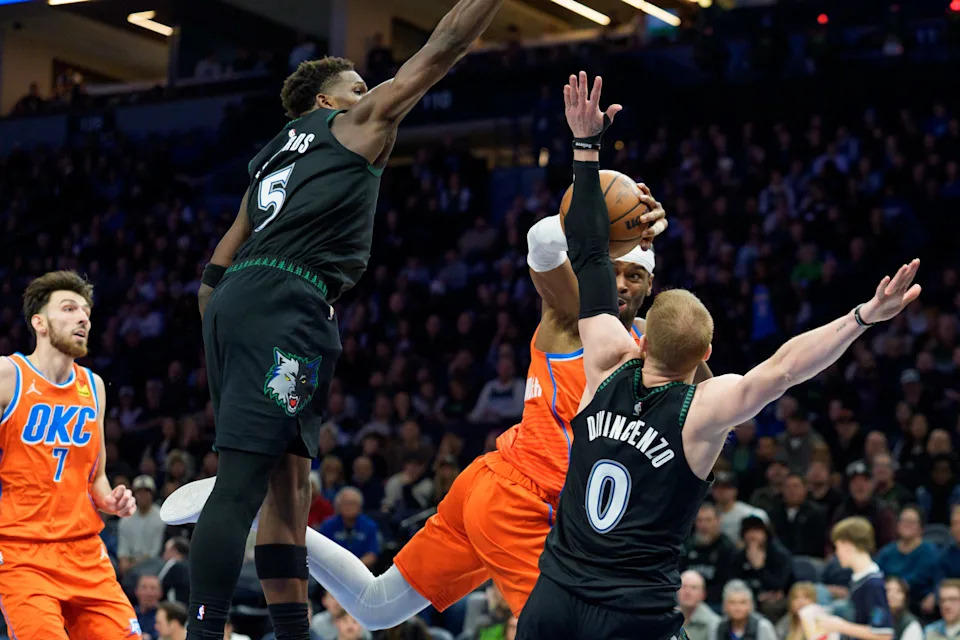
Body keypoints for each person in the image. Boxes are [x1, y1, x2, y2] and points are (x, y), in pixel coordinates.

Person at [162, 100, 673, 631]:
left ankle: (232, 508)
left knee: (376, 607)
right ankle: (233, 505)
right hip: (522, 504)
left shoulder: (651, 351)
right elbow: (543, 244)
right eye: (613, 269)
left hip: (501, 493)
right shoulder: (573, 317)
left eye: (633, 277)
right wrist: (600, 203)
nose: (618, 284)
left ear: (651, 286)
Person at [517, 72, 921, 639]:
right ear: (706, 353)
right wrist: (861, 318)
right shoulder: (702, 411)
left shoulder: (604, 359)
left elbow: (586, 251)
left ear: (643, 334)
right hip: (633, 615)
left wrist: (585, 146)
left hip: (553, 598)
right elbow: (784, 368)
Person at [174, 0, 511, 637]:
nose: (371, 94)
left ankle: (294, 633)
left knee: (290, 484)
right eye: (358, 88)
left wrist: (226, 332)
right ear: (328, 104)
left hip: (242, 301)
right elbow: (442, 49)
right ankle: (203, 629)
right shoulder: (350, 125)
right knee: (244, 482)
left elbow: (216, 266)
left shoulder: (269, 159)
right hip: (289, 301)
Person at [0, 271, 140, 639]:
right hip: (23, 553)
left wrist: (110, 499)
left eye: (86, 312)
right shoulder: (7, 375)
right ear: (39, 322)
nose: (83, 318)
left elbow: (96, 476)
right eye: (69, 308)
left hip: (85, 552)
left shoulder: (93, 387)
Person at [818, 517, 893, 640]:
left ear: (848, 545)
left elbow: (883, 634)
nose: (836, 553)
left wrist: (840, 626)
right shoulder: (858, 579)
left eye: (837, 547)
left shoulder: (873, 584)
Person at [874, 505, 941, 616]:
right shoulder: (888, 551)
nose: (907, 525)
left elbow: (934, 579)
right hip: (887, 600)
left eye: (912, 521)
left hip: (916, 604)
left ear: (921, 528)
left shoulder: (929, 552)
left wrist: (933, 595)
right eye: (903, 521)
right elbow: (876, 574)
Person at [681, 503, 736, 607]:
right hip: (687, 598)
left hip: (715, 602)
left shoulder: (727, 548)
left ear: (718, 521)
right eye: (700, 520)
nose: (703, 525)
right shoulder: (687, 545)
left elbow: (727, 584)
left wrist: (701, 597)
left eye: (708, 520)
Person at [677, 570, 720, 640]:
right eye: (684, 586)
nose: (687, 592)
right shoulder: (666, 619)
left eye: (693, 587)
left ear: (703, 594)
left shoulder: (714, 623)